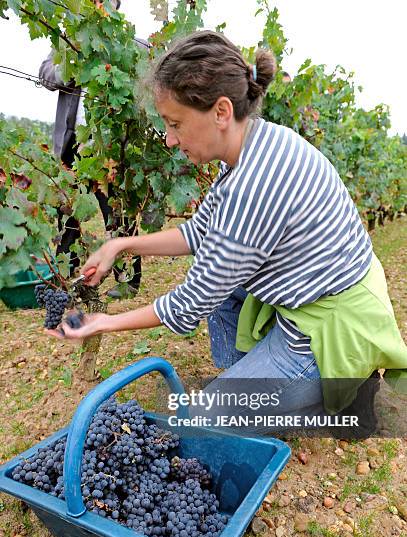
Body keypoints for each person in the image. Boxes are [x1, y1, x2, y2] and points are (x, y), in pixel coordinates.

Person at [46, 30, 407, 427]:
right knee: (223, 283)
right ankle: (260, 386)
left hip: (330, 334)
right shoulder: (251, 142)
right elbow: (202, 232)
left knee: (208, 418)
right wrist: (123, 244)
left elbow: (191, 303)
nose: (169, 140)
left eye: (175, 123)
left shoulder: (255, 183)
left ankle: (341, 400)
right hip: (313, 299)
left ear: (220, 111)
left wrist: (104, 322)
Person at [39, 0, 148, 297]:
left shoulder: (125, 39)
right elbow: (44, 73)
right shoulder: (71, 37)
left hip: (107, 148)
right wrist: (73, 67)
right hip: (71, 145)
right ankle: (66, 274)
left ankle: (127, 281)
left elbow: (148, 66)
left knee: (116, 213)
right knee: (66, 211)